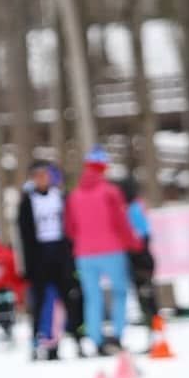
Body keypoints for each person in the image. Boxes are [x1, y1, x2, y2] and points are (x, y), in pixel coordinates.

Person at [64, 147, 141, 355]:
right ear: (104, 168)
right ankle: (116, 335)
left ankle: (96, 339)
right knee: (119, 293)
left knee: (92, 296)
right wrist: (133, 243)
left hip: (84, 254)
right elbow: (121, 223)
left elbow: (70, 228)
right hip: (112, 250)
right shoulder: (110, 192)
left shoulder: (74, 196)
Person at [18, 159, 79, 360]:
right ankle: (40, 343)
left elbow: (71, 228)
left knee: (70, 299)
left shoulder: (61, 196)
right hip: (39, 258)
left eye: (44, 175)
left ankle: (77, 339)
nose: (41, 179)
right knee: (41, 303)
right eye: (36, 176)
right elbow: (24, 236)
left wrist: (71, 257)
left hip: (61, 256)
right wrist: (27, 266)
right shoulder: (27, 202)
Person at [120, 177, 159, 325]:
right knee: (144, 293)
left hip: (140, 255)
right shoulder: (133, 206)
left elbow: (143, 233)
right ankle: (152, 323)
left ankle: (155, 325)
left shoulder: (133, 207)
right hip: (138, 254)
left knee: (146, 293)